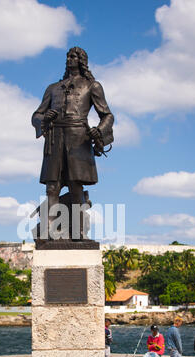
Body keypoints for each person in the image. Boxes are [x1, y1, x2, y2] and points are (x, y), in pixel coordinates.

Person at [32, 46, 114, 239]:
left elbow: (107, 115)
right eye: (68, 56)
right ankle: (51, 232)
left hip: (79, 138)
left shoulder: (92, 86)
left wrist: (99, 130)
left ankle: (78, 233)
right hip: (55, 138)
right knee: (52, 186)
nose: (70, 59)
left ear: (81, 60)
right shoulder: (53, 88)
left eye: (74, 56)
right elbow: (36, 115)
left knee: (75, 186)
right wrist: (44, 120)